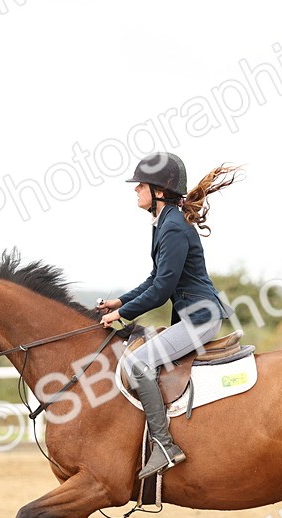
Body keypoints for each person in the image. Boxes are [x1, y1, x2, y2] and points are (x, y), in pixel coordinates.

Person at [98, 152, 241, 480]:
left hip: (201, 319)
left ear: (159, 191)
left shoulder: (173, 226)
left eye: (141, 185)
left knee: (136, 364)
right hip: (193, 317)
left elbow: (162, 289)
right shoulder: (164, 222)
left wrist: (122, 313)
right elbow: (155, 279)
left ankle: (164, 444)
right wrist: (119, 302)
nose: (136, 190)